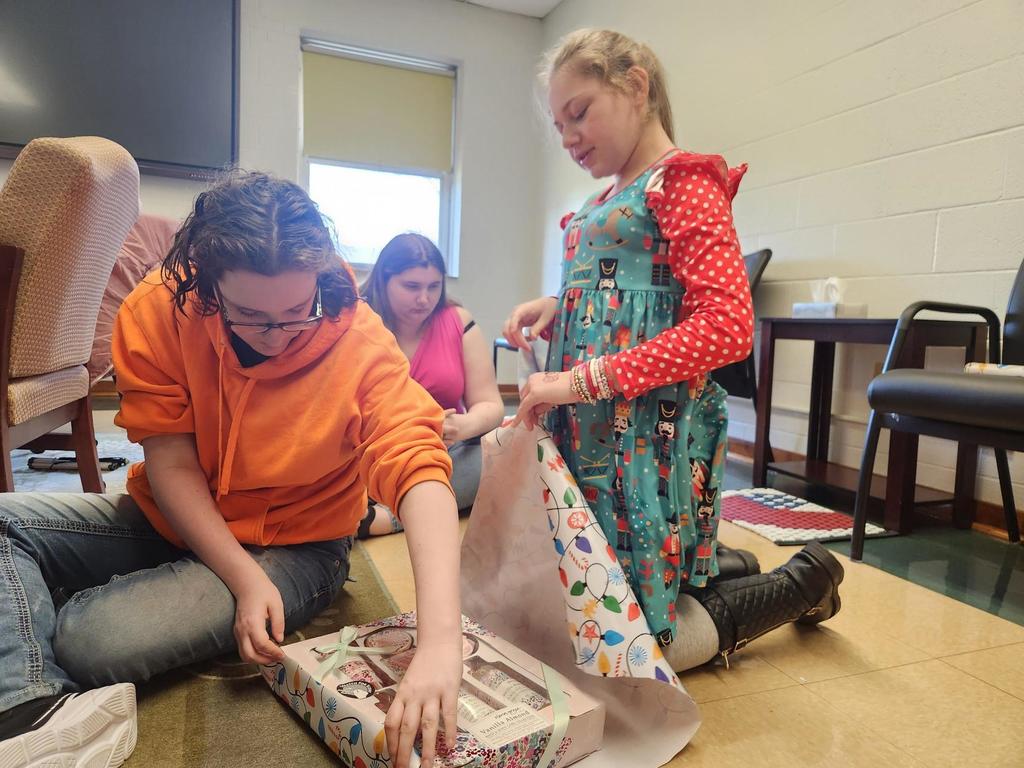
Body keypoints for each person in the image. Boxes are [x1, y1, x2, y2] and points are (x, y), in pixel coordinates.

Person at [0, 172, 460, 768]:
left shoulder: (360, 339)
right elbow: (171, 464)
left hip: (301, 545)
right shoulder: (157, 310)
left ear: (320, 279)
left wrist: (441, 641)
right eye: (249, 314)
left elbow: (418, 466)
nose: (275, 335)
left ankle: (33, 625)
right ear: (206, 284)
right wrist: (241, 580)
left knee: (89, 642)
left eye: (297, 311)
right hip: (173, 518)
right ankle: (30, 711)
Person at [504, 29, 844, 673]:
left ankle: (799, 584)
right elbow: (624, 301)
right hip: (591, 433)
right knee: (584, 586)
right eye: (558, 124)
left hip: (642, 440)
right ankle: (716, 574)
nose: (569, 137)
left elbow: (724, 327)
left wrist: (578, 382)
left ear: (637, 85)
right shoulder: (602, 201)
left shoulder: (682, 182)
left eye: (579, 113)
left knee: (623, 643)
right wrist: (558, 308)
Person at [359, 233, 504, 537]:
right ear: (384, 281)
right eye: (411, 287)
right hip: (372, 452)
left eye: (433, 287)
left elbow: (491, 405)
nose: (424, 298)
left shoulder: (458, 321)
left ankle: (379, 520)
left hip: (443, 450)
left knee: (500, 453)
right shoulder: (358, 320)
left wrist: (461, 426)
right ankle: (380, 513)